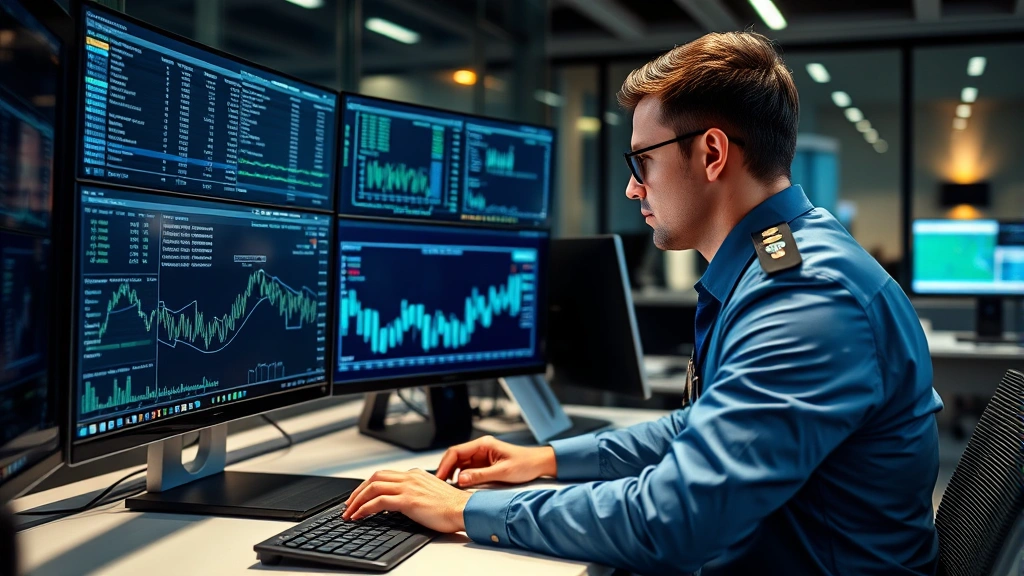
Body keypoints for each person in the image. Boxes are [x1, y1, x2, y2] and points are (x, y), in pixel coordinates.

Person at [341, 30, 943, 575]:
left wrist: (467, 509)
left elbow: (675, 518)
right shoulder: (778, 264)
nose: (633, 187)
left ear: (712, 154)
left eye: (642, 161)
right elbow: (704, 425)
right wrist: (544, 459)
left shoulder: (806, 298)